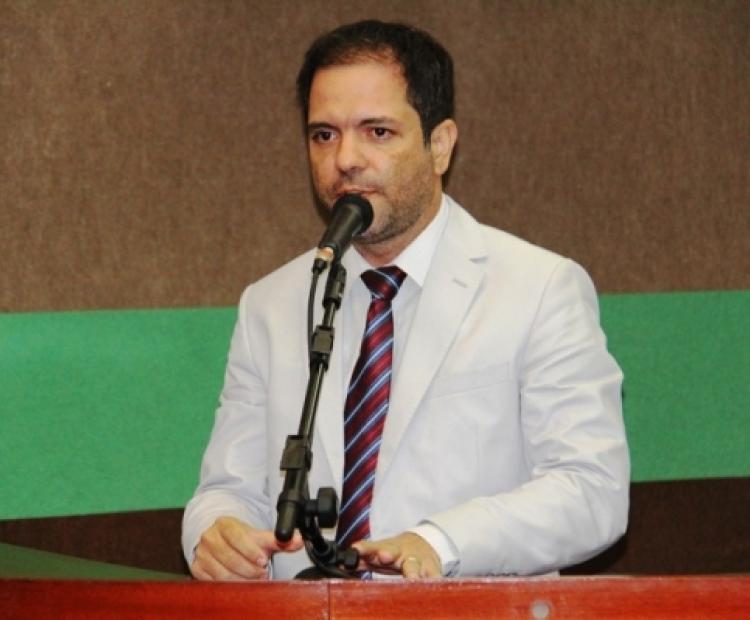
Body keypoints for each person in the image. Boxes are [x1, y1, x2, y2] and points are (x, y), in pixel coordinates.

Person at [182, 19, 629, 581]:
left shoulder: (539, 289)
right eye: (324, 135)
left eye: (377, 132)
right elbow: (226, 491)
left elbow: (592, 491)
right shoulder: (270, 304)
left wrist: (439, 542)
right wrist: (215, 533)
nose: (346, 158)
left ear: (439, 145)